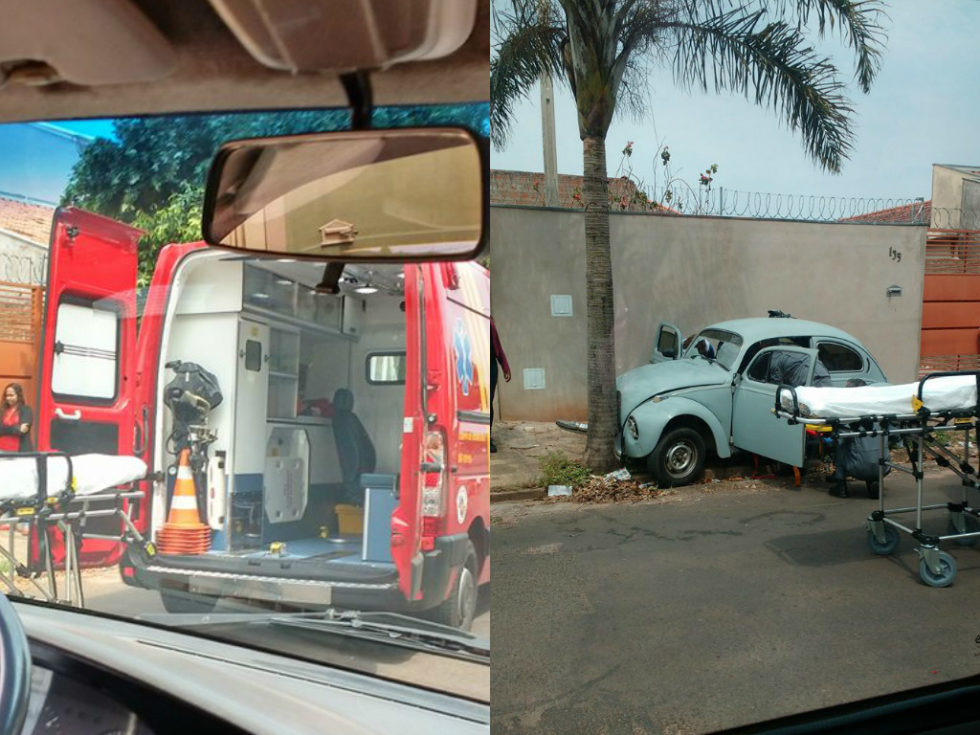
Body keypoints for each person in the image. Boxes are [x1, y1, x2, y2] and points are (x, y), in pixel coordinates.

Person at [827, 378, 888, 498]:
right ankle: (874, 482)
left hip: (857, 467)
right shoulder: (880, 409)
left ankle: (841, 486)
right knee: (871, 444)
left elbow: (841, 440)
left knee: (839, 441)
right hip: (883, 466)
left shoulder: (846, 413)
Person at [490, 317, 511, 453]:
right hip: (471, 365)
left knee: (487, 404)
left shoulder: (489, 319)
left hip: (490, 365)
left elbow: (497, 345)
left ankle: (487, 438)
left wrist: (505, 366)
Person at [0, 382, 32, 453]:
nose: (8, 398)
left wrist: (5, 429)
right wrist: (15, 428)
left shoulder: (26, 410)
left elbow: (23, 430)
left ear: (18, 395)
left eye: (11, 395)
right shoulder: (1, 410)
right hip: (1, 450)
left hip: (19, 451)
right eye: (6, 395)